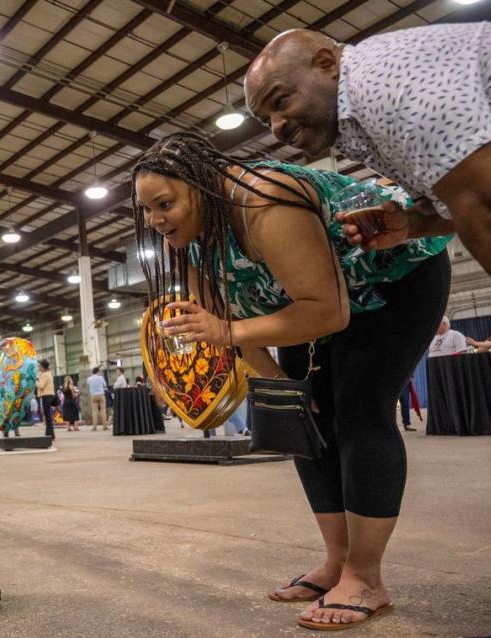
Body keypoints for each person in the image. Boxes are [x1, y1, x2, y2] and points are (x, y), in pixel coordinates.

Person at [132, 131, 450, 630]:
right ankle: (337, 562)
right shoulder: (193, 247)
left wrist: (228, 329)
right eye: (146, 210)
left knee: (358, 409)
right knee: (308, 424)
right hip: (302, 306)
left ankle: (366, 578)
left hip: (390, 280)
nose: (154, 221)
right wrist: (283, 384)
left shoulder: (261, 199)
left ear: (202, 186)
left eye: (164, 204)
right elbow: (227, 330)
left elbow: (325, 310)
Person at [243, 24, 491, 310]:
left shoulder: (381, 84)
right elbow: (464, 206)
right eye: (265, 120)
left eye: (281, 100)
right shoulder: (352, 126)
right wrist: (412, 224)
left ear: (326, 64)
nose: (276, 127)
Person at [35, 359, 56, 438]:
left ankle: (50, 434)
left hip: (46, 396)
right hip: (50, 395)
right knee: (48, 416)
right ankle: (49, 433)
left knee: (47, 416)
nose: (39, 367)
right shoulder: (48, 373)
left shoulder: (44, 375)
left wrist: (35, 381)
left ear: (43, 366)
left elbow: (41, 386)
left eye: (40, 366)